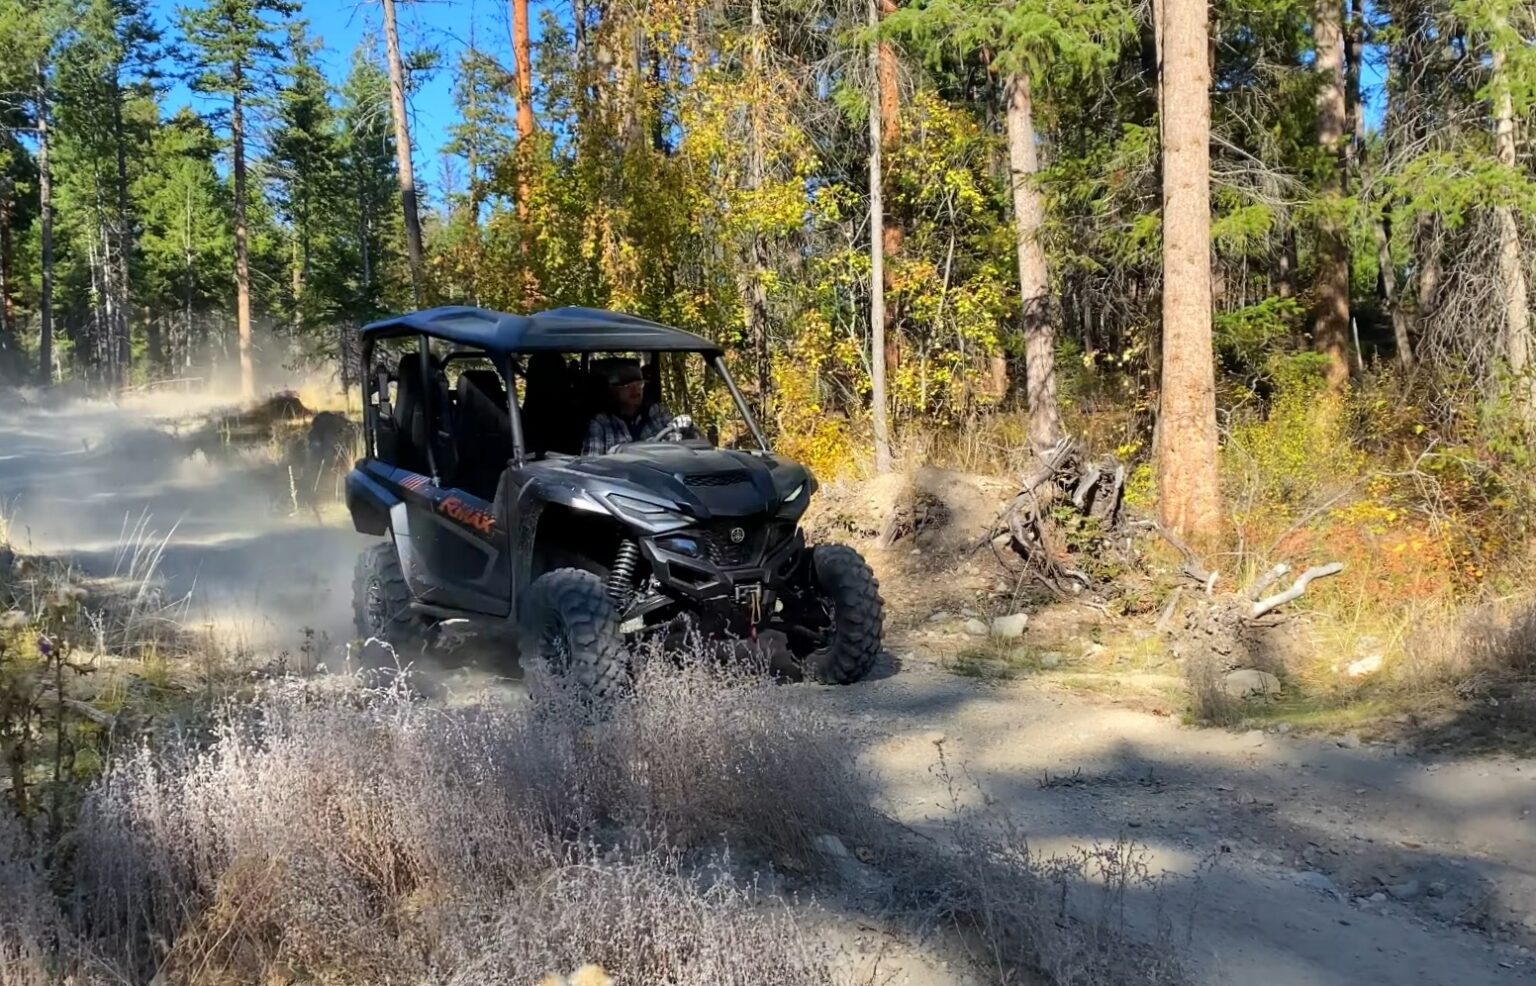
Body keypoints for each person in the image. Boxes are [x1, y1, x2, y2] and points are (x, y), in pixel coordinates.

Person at [582, 361, 675, 455]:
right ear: (613, 389)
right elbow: (590, 464)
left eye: (639, 384)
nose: (635, 390)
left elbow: (677, 444)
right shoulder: (600, 424)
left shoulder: (658, 413)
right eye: (627, 386)